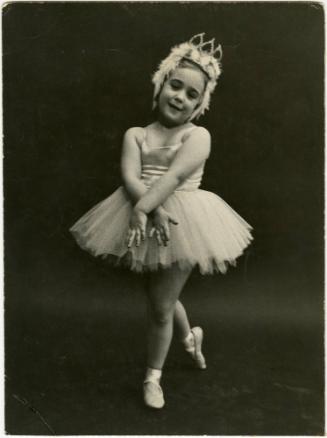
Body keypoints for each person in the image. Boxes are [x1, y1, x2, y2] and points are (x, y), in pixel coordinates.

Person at [70, 33, 253, 410]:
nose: (180, 97)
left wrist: (144, 208)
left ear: (200, 105)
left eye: (191, 95)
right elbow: (132, 179)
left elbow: (171, 179)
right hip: (149, 211)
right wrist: (146, 207)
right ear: (160, 85)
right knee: (161, 299)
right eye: (175, 86)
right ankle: (190, 340)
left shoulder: (198, 136)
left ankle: (152, 378)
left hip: (184, 222)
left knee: (159, 304)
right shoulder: (136, 135)